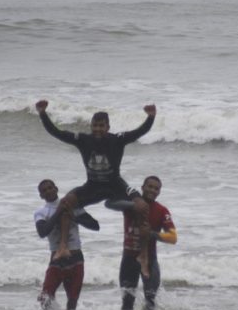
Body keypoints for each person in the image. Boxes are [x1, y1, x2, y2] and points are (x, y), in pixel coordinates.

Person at [35, 99, 155, 277]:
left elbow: (140, 132)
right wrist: (43, 113)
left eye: (101, 126)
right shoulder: (83, 140)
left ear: (108, 126)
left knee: (142, 205)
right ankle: (63, 247)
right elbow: (57, 133)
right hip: (92, 186)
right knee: (67, 202)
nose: (98, 129)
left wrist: (151, 117)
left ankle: (143, 255)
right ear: (91, 126)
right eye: (95, 126)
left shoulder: (118, 140)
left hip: (115, 185)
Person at [106, 176, 177, 310]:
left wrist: (152, 234)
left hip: (150, 259)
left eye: (156, 188)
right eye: (150, 186)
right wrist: (133, 205)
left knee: (150, 303)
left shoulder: (162, 210)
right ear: (142, 187)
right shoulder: (129, 205)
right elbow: (108, 203)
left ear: (159, 192)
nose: (153, 190)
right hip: (129, 259)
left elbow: (173, 237)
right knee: (127, 305)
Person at [34, 179, 99, 310]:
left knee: (73, 300)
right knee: (45, 297)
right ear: (41, 196)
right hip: (57, 257)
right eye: (44, 190)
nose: (48, 191)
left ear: (56, 189)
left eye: (50, 188)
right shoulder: (41, 212)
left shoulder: (73, 206)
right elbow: (42, 232)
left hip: (75, 256)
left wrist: (74, 216)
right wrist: (59, 212)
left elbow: (95, 225)